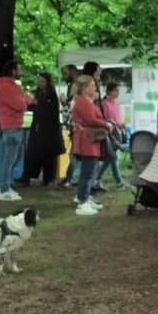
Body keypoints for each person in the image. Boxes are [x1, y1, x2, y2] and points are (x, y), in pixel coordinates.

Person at [0, 59, 35, 201]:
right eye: (19, 69)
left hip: (14, 126)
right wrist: (26, 100)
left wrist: (24, 98)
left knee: (13, 158)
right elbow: (21, 105)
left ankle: (5, 185)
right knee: (9, 159)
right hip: (11, 127)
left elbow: (22, 101)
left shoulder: (10, 86)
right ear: (13, 71)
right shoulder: (7, 87)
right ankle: (4, 188)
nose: (21, 72)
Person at [70, 74, 108, 216]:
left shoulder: (86, 101)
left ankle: (85, 197)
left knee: (90, 170)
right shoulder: (82, 102)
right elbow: (91, 119)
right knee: (87, 172)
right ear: (85, 88)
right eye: (92, 85)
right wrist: (107, 124)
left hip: (89, 139)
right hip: (87, 140)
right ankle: (82, 200)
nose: (95, 87)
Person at [22, 72, 64, 186]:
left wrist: (38, 103)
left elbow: (50, 110)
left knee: (48, 155)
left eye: (42, 82)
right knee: (32, 153)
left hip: (49, 130)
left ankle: (48, 179)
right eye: (39, 81)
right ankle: (27, 177)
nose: (40, 84)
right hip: (38, 127)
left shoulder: (51, 94)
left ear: (47, 82)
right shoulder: (38, 92)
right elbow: (34, 107)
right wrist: (29, 103)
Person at [94, 83, 127, 189]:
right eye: (115, 90)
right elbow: (105, 119)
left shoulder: (116, 104)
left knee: (112, 158)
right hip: (109, 133)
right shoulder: (104, 104)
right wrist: (115, 124)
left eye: (118, 91)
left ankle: (115, 181)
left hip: (117, 133)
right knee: (112, 157)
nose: (117, 93)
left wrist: (122, 123)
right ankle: (116, 181)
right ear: (109, 91)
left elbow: (118, 117)